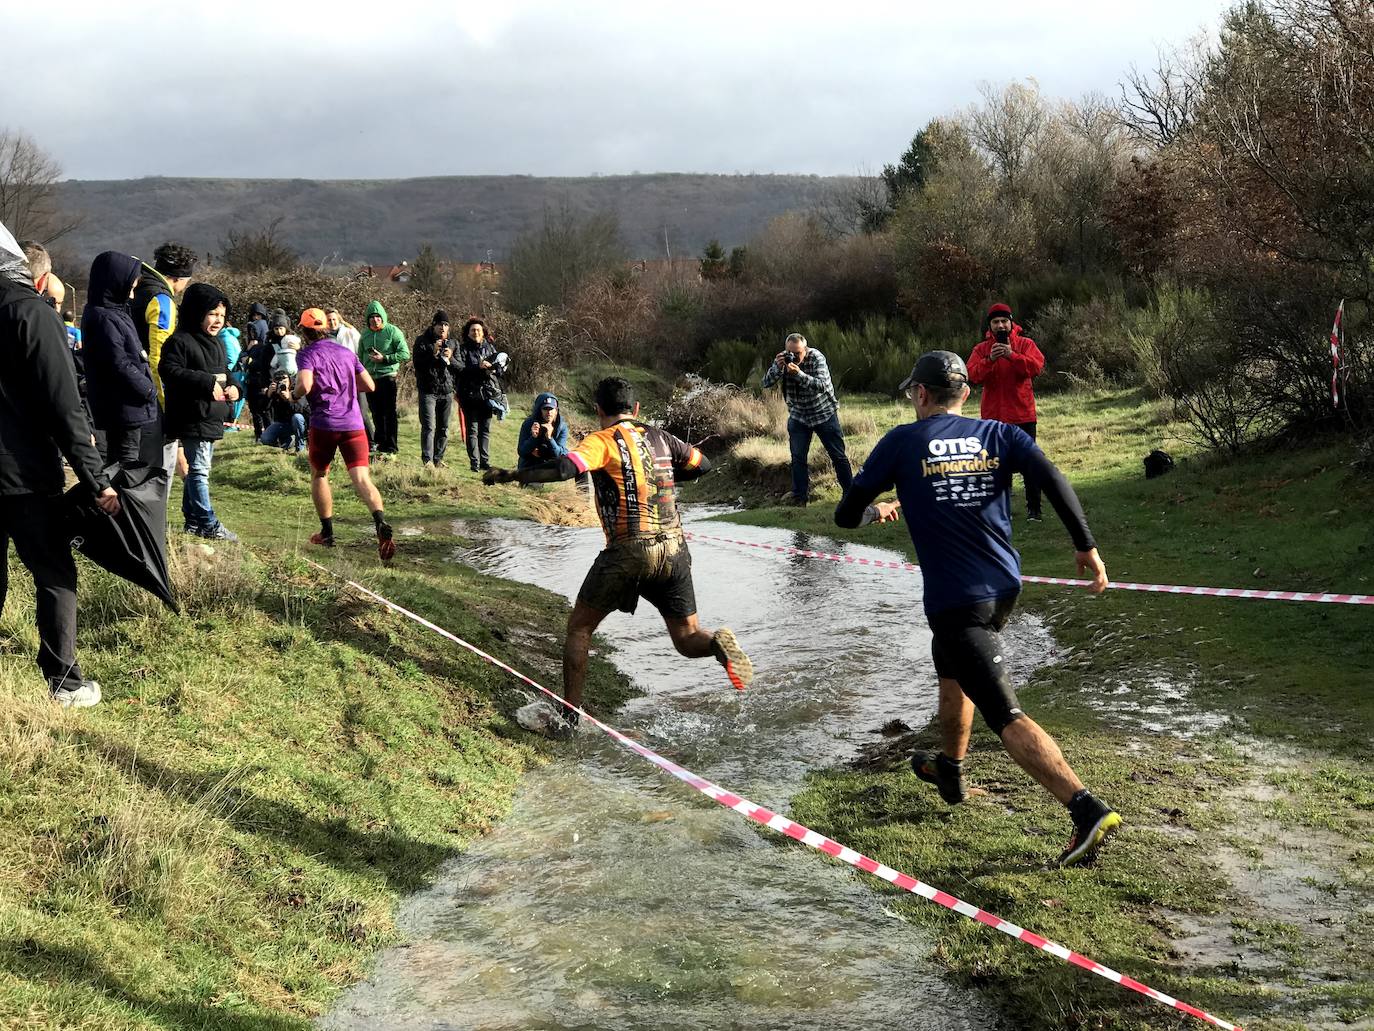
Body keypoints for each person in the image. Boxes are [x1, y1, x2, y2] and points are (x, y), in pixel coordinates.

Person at [832, 350, 1119, 868]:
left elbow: (846, 516)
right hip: (1001, 588)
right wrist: (1086, 547)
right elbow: (1051, 478)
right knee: (952, 672)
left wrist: (880, 508)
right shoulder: (999, 434)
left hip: (959, 601)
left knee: (1003, 713)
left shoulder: (900, 442)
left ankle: (1084, 808)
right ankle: (951, 770)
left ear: (920, 394)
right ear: (965, 393)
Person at [483, 376, 752, 737]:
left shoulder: (600, 441)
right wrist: (664, 476)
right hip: (674, 548)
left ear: (598, 411)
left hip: (629, 550)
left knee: (580, 627)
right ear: (636, 409)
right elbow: (702, 465)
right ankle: (719, 644)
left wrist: (514, 474)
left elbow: (567, 468)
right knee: (687, 638)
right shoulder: (660, 437)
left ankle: (570, 719)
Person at [0, 227, 120, 707]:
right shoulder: (31, 314)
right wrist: (96, 479)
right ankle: (64, 680)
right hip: (25, 474)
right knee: (52, 572)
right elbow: (65, 407)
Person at [294, 308, 395, 560]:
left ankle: (327, 533)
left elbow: (305, 385)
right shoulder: (346, 352)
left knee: (319, 474)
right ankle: (380, 523)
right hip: (354, 424)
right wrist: (347, 385)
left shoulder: (307, 354)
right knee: (362, 478)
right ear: (327, 328)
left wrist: (293, 395)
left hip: (324, 424)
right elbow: (369, 385)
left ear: (305, 331)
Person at [159, 283, 239, 541]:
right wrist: (206, 383)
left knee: (198, 469)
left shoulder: (216, 344)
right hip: (192, 415)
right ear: (196, 312)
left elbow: (225, 373)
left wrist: (235, 387)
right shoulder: (179, 341)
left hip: (211, 416)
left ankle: (193, 521)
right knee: (200, 471)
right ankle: (209, 522)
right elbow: (169, 371)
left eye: (222, 315)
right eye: (212, 314)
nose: (218, 320)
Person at [967, 302, 1047, 521]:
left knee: (1030, 464)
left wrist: (1012, 355)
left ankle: (1035, 510)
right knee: (996, 466)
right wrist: (990, 360)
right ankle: (1002, 512)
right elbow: (972, 375)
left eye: (1004, 321)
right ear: (990, 325)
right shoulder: (981, 349)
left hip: (1023, 415)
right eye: (996, 322)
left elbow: (1036, 368)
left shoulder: (1026, 344)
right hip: (993, 418)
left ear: (1011, 322)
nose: (1000, 325)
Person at [81, 251, 160, 468]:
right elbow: (119, 362)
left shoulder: (110, 312)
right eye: (131, 289)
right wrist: (148, 389)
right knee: (125, 465)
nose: (132, 296)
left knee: (118, 461)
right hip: (124, 406)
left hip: (123, 406)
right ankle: (120, 501)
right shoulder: (105, 318)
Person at [760, 332, 852, 507]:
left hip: (823, 413)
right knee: (798, 458)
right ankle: (800, 497)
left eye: (797, 353)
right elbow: (766, 383)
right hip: (799, 415)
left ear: (805, 349)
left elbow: (822, 386)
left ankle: (850, 494)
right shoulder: (783, 360)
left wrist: (799, 374)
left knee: (837, 455)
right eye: (790, 353)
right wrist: (777, 368)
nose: (793, 357)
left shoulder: (816, 358)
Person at [133, 242, 197, 474]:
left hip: (124, 391)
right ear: (180, 278)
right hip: (150, 399)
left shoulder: (134, 288)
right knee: (154, 474)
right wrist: (166, 405)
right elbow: (159, 357)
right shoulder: (162, 301)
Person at [359, 300, 408, 458]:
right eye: (372, 317)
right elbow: (360, 357)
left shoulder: (393, 332)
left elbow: (405, 353)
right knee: (375, 412)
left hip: (388, 377)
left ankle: (391, 446)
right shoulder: (364, 335)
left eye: (378, 317)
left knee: (389, 413)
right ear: (368, 319)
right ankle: (380, 444)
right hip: (370, 379)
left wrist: (385, 358)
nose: (375, 320)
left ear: (383, 317)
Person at [455, 316, 502, 471]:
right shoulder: (462, 349)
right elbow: (460, 369)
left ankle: (485, 461)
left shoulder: (490, 348)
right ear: (467, 333)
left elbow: (498, 369)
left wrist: (494, 367)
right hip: (469, 395)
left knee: (485, 430)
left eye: (478, 330)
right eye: (473, 330)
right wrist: (478, 367)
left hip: (487, 395)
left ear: (483, 332)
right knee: (472, 430)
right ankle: (474, 463)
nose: (476, 332)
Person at [411, 310, 455, 468]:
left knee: (443, 428)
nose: (443, 328)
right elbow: (418, 364)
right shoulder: (422, 341)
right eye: (440, 324)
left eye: (446, 325)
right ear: (433, 325)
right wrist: (433, 352)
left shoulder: (452, 343)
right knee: (429, 427)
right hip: (428, 390)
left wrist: (451, 357)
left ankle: (438, 459)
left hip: (446, 390)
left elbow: (458, 367)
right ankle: (427, 461)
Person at [325, 307, 373, 449]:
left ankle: (372, 442)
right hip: (335, 381)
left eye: (334, 319)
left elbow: (362, 351)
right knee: (343, 413)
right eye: (329, 320)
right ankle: (348, 444)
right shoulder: (324, 337)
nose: (332, 323)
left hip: (354, 377)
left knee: (361, 412)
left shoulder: (349, 332)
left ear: (339, 319)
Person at [517, 392, 569, 470]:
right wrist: (534, 438)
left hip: (550, 468)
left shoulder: (561, 427)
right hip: (529, 466)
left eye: (551, 409)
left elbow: (561, 455)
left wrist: (550, 439)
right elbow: (521, 452)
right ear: (539, 410)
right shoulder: (529, 423)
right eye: (545, 409)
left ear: (556, 411)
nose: (549, 412)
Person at [259, 372, 308, 452]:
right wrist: (268, 396)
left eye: (284, 378)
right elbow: (263, 410)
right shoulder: (274, 392)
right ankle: (288, 442)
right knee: (265, 439)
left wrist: (289, 399)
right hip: (282, 423)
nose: (282, 381)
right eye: (278, 379)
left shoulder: (297, 389)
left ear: (289, 379)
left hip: (299, 423)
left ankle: (300, 447)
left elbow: (301, 410)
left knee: (297, 417)